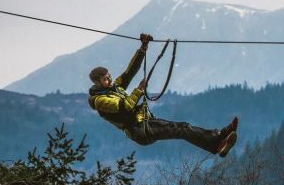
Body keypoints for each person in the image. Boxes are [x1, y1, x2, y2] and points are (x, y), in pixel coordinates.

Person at [88, 33, 238, 156]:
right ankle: (217, 142)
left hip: (145, 123)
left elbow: (130, 71)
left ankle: (219, 137)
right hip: (139, 130)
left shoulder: (115, 87)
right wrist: (139, 90)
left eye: (109, 76)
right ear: (96, 82)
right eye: (105, 79)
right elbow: (125, 107)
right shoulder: (100, 101)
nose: (110, 79)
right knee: (181, 129)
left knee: (183, 128)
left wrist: (142, 49)